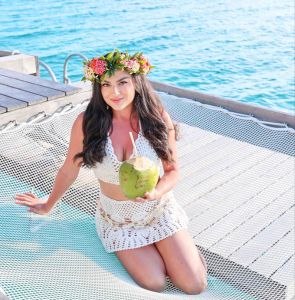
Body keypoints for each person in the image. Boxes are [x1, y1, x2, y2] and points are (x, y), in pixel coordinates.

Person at [13, 48, 208, 294]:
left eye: (122, 82)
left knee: (195, 285)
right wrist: (48, 205)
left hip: (158, 210)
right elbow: (68, 171)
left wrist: (156, 192)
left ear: (137, 82)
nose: (114, 92)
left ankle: (179, 244)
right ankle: (168, 249)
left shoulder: (157, 119)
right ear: (99, 88)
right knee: (155, 283)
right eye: (106, 84)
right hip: (117, 220)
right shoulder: (88, 123)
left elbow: (172, 171)